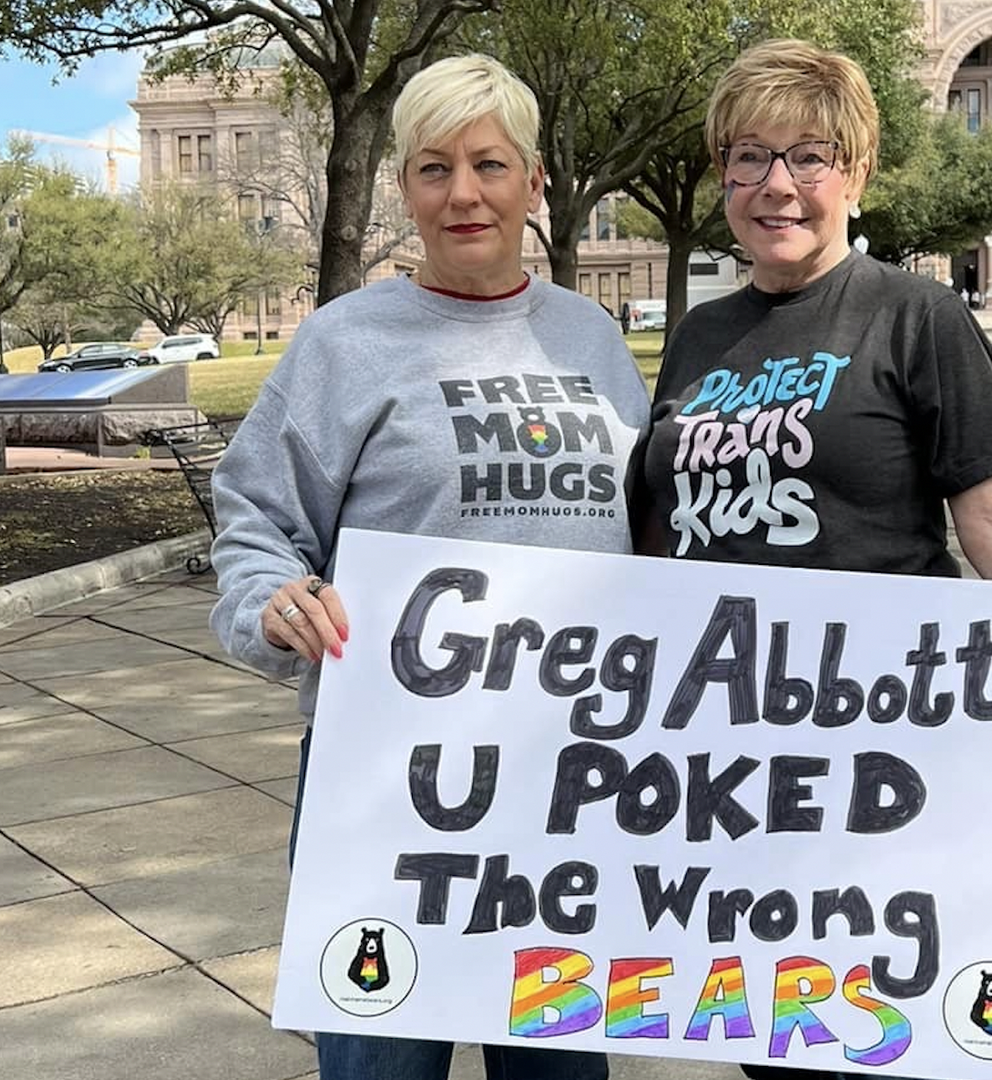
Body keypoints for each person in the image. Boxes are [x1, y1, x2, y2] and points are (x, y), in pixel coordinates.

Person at [632, 40, 992, 1080]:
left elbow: (990, 515)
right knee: (774, 1033)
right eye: (747, 156)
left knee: (886, 1029)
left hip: (881, 743)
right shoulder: (698, 336)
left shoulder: (915, 315)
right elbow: (663, 532)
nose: (775, 186)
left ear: (858, 170)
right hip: (728, 751)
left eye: (809, 155)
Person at [208, 54, 647, 1080]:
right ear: (402, 187)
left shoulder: (593, 337)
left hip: (570, 789)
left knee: (556, 1069)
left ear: (534, 181)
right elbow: (257, 519)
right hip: (387, 786)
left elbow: (648, 535)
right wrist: (271, 599)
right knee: (380, 1064)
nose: (463, 193)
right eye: (433, 168)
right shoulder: (342, 342)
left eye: (489, 164)